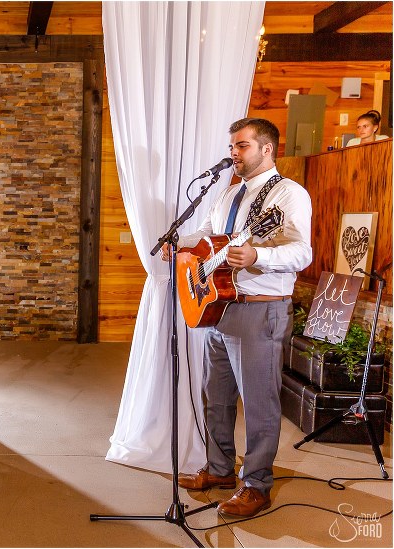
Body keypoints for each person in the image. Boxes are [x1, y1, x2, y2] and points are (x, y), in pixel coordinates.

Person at [162, 118, 312, 517]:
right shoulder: (228, 194)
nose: (234, 153)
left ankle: (257, 484)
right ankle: (220, 468)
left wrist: (257, 255)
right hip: (220, 308)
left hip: (261, 310)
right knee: (218, 397)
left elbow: (302, 253)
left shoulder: (290, 195)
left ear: (267, 149)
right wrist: (181, 246)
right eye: (233, 146)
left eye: (242, 146)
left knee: (260, 403)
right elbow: (209, 234)